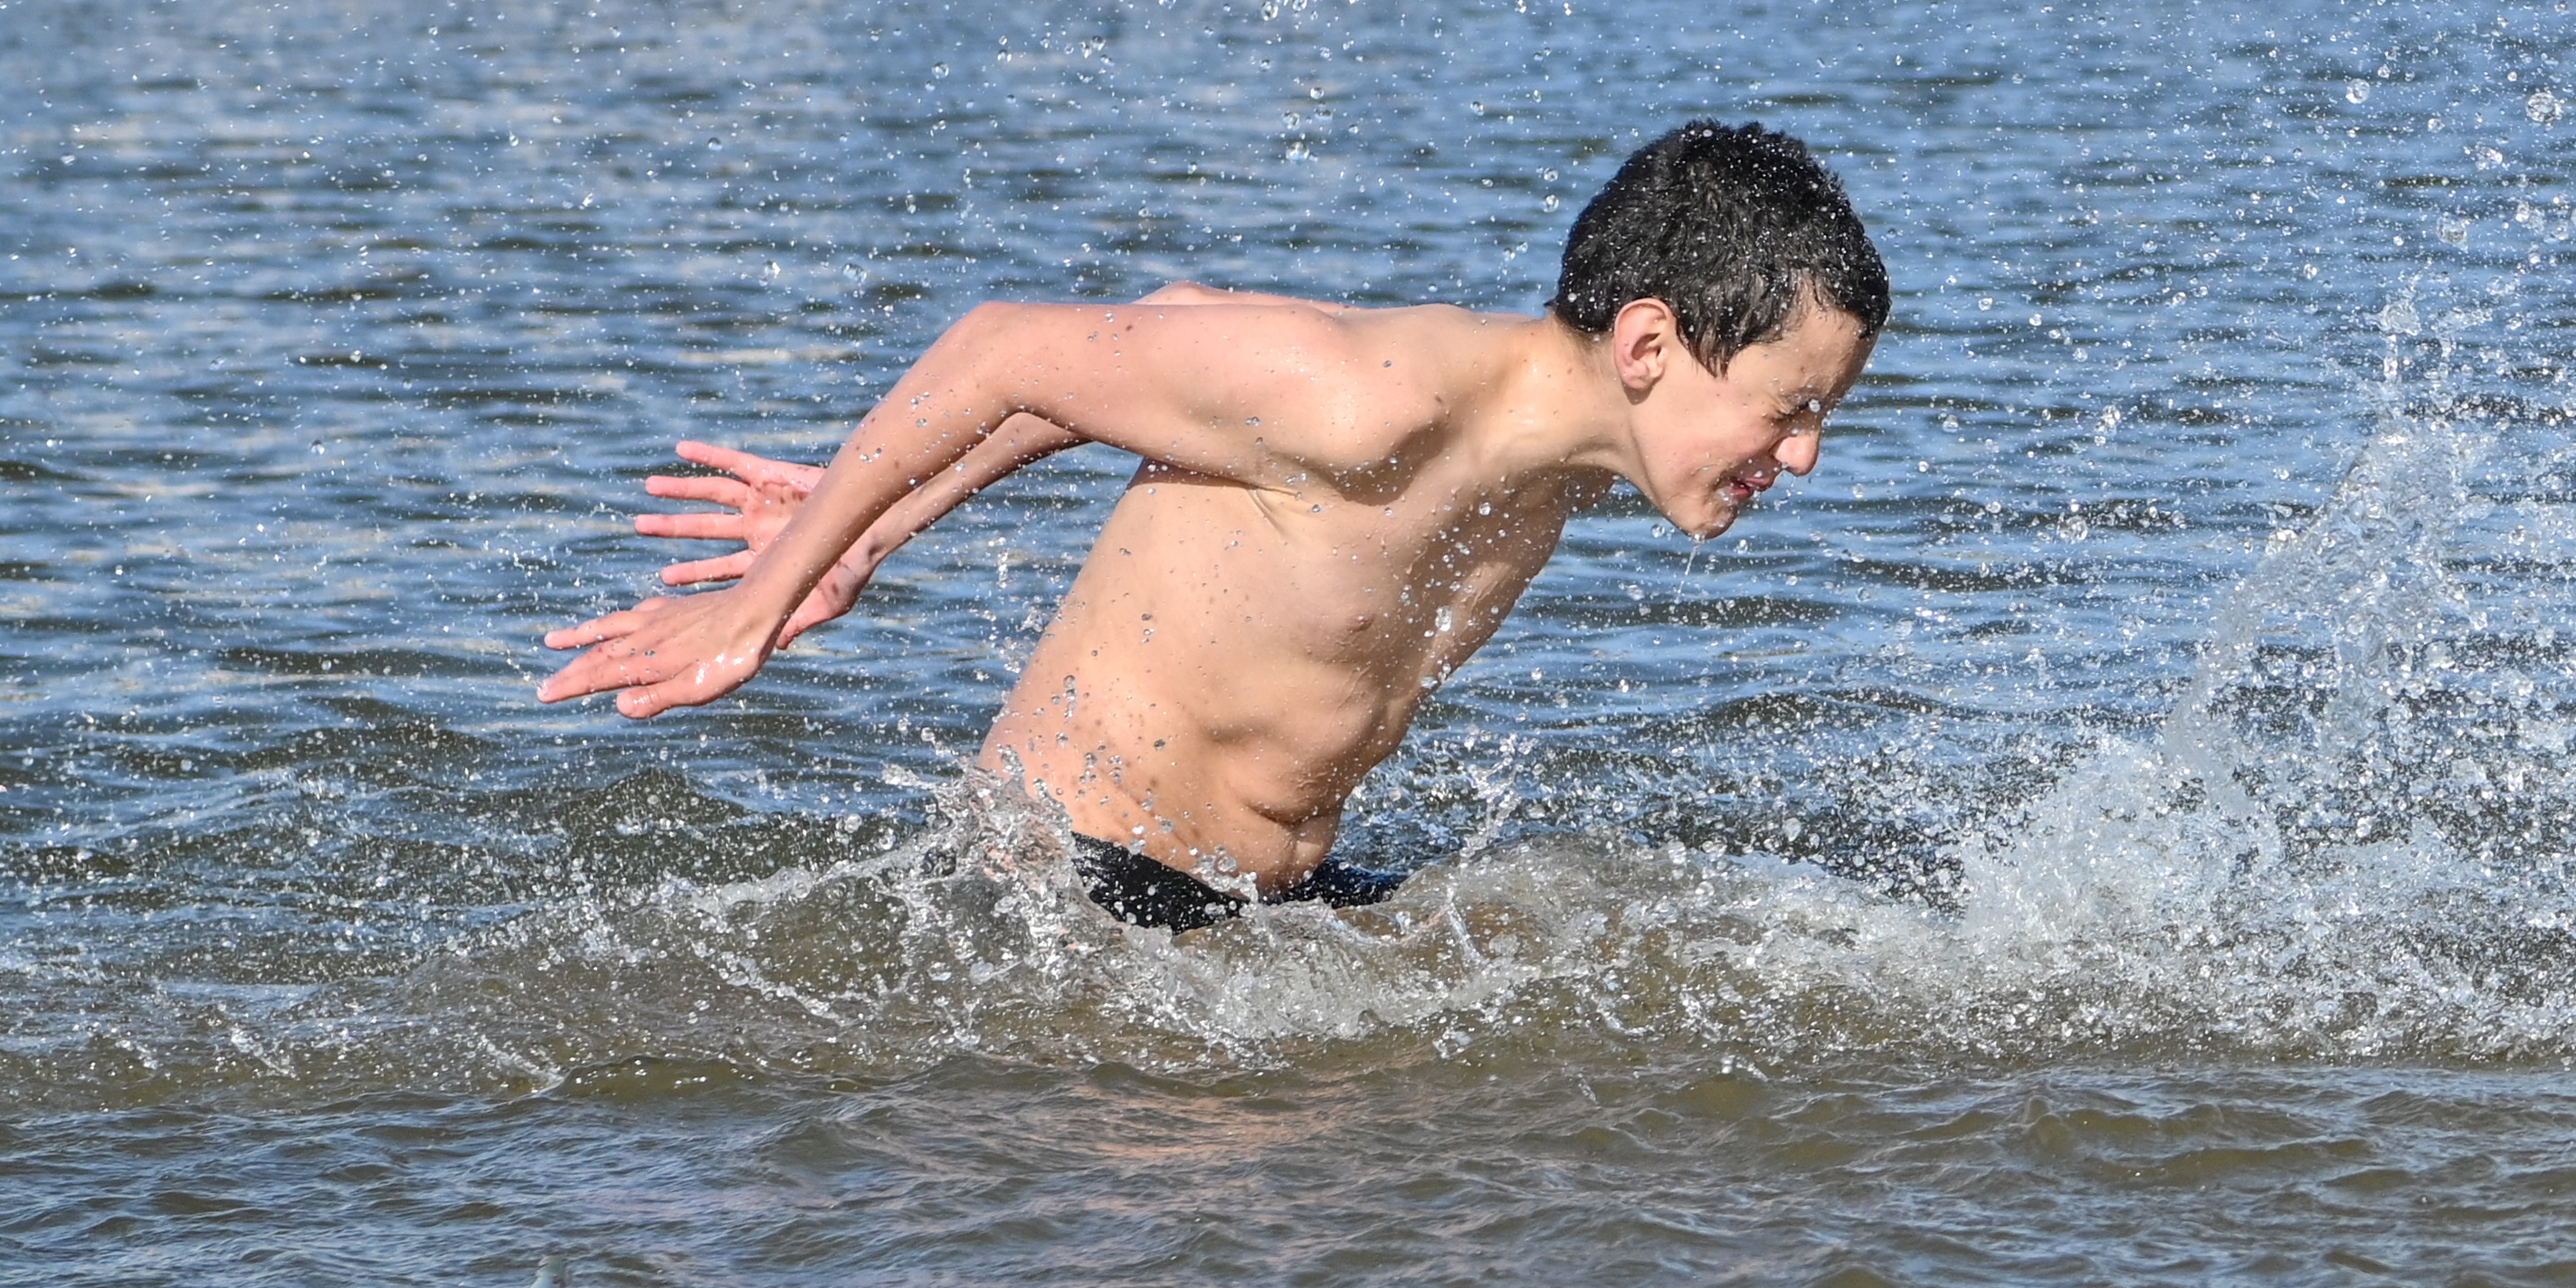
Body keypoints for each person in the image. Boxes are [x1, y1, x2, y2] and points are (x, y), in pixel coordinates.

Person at [537, 121, 1892, 932]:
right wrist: (789, 575)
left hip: (1265, 910)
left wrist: (875, 534)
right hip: (1068, 898)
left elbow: (1171, 322)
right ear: (1650, 341)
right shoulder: (1372, 404)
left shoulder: (1563, 457)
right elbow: (1004, 347)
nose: (1804, 453)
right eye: (1789, 408)